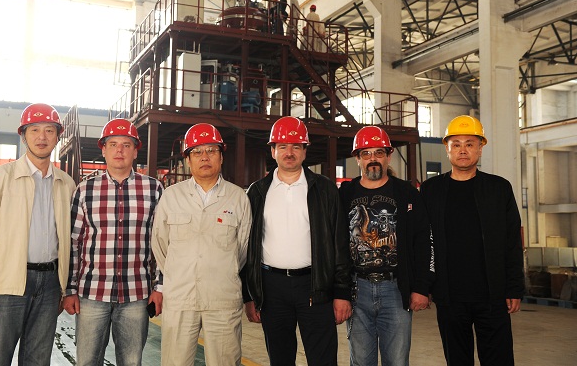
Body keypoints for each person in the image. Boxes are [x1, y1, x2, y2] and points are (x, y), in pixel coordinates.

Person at [0, 103, 76, 365]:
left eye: (49, 130)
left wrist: (65, 287)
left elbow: (72, 242)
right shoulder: (1, 178)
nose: (42, 137)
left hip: (51, 284)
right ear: (23, 135)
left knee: (38, 359)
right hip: (9, 283)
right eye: (34, 130)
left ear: (57, 136)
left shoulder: (66, 184)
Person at [242, 116, 352, 366]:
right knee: (280, 359)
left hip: (315, 286)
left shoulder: (325, 190)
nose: (289, 153)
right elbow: (247, 247)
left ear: (304, 151)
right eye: (282, 146)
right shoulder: (257, 192)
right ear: (273, 151)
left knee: (323, 360)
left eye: (295, 146)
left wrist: (342, 292)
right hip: (271, 288)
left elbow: (339, 243)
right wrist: (250, 295)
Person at [420, 115, 525, 366]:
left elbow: (512, 241)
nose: (463, 150)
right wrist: (424, 285)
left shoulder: (499, 189)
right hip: (449, 295)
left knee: (498, 360)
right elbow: (423, 241)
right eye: (456, 144)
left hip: (492, 294)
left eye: (469, 143)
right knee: (457, 360)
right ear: (447, 149)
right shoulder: (431, 190)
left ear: (480, 148)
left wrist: (514, 287)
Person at [63, 118, 163, 365]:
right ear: (104, 150)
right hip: (92, 294)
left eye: (126, 145)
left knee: (131, 361)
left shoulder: (154, 190)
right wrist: (70, 290)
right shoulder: (85, 190)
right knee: (87, 361)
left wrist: (159, 287)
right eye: (113, 144)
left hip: (136, 295)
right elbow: (74, 244)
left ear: (135, 151)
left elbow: (163, 244)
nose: (120, 150)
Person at [151, 123, 252, 366]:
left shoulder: (238, 197)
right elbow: (160, 244)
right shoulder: (171, 196)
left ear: (221, 156)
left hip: (222, 298)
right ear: (187, 160)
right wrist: (179, 273)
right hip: (180, 297)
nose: (204, 157)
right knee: (175, 362)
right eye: (197, 152)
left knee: (225, 362)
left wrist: (219, 270)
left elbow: (242, 250)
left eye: (211, 150)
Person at [339, 126, 435, 366]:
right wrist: (339, 292)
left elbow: (423, 241)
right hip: (357, 289)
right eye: (366, 153)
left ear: (388, 156)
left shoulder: (407, 193)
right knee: (361, 361)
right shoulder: (345, 194)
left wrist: (421, 287)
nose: (373, 158)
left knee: (397, 361)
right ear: (357, 158)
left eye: (379, 153)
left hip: (395, 289)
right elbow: (335, 244)